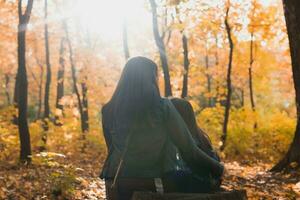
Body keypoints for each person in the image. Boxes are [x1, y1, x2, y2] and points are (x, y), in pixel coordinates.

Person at [100, 56, 224, 200]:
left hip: (117, 181)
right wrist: (219, 168)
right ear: (151, 79)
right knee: (205, 184)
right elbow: (189, 150)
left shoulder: (108, 110)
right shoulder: (162, 107)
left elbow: (111, 149)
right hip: (153, 182)